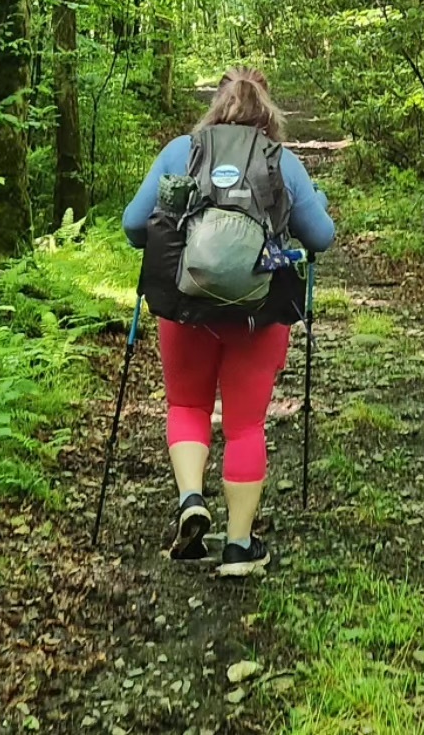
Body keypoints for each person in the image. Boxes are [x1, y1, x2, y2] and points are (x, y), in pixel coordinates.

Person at [123, 68, 335, 576]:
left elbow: (134, 226)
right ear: (268, 115)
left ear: (216, 109)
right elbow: (320, 237)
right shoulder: (281, 161)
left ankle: (192, 499)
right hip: (258, 313)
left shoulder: (182, 151)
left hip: (184, 305)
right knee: (244, 426)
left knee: (188, 404)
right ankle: (240, 546)